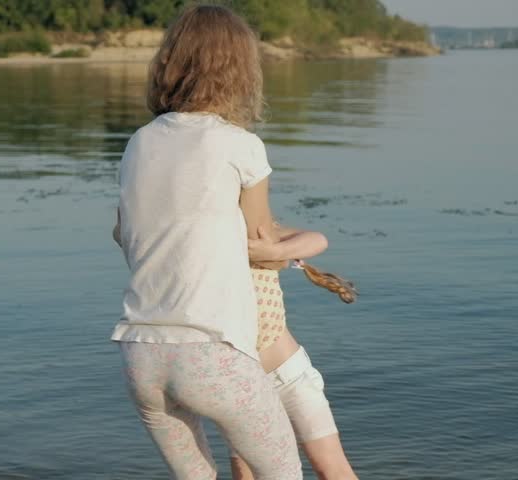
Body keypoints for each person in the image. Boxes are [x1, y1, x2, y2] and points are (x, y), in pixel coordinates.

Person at [111, 5, 302, 479]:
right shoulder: (240, 145)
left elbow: (123, 234)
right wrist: (298, 246)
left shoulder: (139, 142)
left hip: (142, 352)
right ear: (241, 70)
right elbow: (260, 248)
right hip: (211, 352)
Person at [231, 224, 360, 480]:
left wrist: (275, 249)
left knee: (331, 468)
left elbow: (317, 239)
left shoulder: (250, 231)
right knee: (246, 474)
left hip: (289, 376)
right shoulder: (197, 240)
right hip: (239, 384)